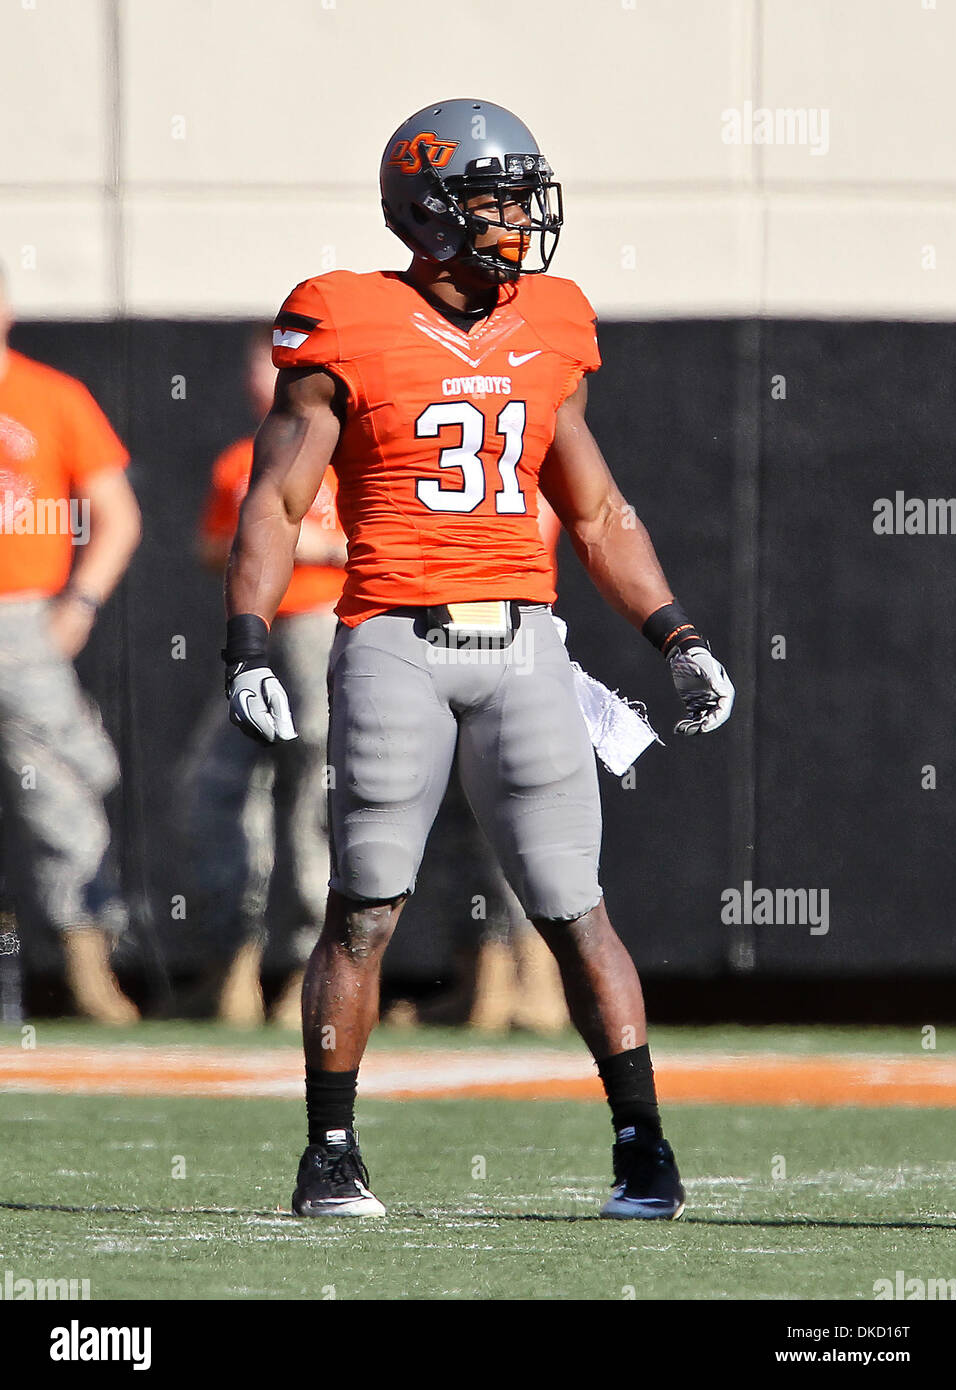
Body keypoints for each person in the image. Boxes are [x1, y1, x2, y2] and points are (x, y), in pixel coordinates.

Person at [222, 100, 734, 1219]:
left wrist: (676, 632)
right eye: (494, 196)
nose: (517, 219)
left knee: (573, 902)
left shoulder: (553, 320)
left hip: (525, 642)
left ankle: (643, 1146)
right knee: (364, 904)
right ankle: (332, 1151)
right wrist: (247, 639)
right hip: (394, 637)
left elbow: (595, 511)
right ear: (429, 211)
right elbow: (277, 495)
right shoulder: (342, 315)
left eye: (521, 194)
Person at [180, 327, 346, 1024]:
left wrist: (306, 541)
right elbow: (212, 546)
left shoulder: (347, 458)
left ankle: (310, 978)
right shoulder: (238, 459)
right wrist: (258, 535)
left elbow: (363, 541)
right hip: (254, 636)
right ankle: (233, 967)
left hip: (317, 632)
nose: (268, 375)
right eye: (261, 363)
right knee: (213, 789)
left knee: (315, 792)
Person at [0, 265, 141, 1022]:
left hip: (21, 620)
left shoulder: (52, 396)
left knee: (65, 785)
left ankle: (88, 967)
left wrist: (80, 603)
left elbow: (117, 515)